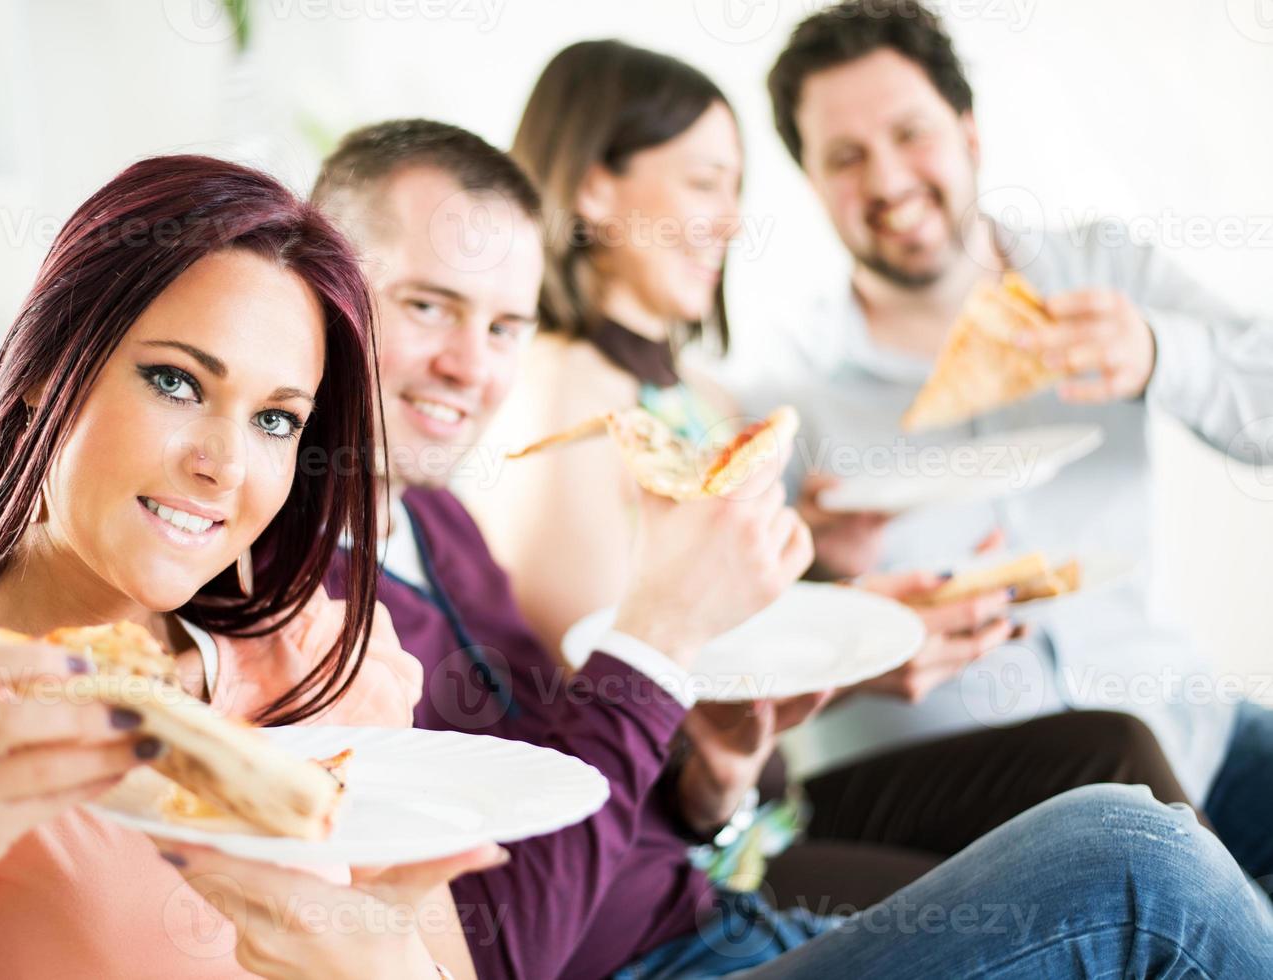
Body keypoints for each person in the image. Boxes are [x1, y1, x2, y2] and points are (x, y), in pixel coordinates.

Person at [313, 117, 1273, 979]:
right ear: (327, 291)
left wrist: (712, 780)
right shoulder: (305, 607)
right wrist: (659, 639)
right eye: (429, 307)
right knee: (1136, 863)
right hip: (670, 956)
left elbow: (601, 787)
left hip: (713, 908)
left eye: (504, 324)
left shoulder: (440, 526)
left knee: (1121, 776)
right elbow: (501, 949)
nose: (473, 366)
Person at [473, 38, 1203, 897]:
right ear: (596, 184)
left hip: (770, 807)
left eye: (738, 189)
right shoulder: (573, 398)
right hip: (702, 855)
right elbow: (610, 694)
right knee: (1112, 853)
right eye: (705, 183)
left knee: (1109, 750)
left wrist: (825, 563)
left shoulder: (691, 389)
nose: (734, 220)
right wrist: (858, 655)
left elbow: (719, 613)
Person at [0, 155, 496, 980]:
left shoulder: (320, 664)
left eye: (276, 420)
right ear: (42, 370)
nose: (226, 467)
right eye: (176, 381)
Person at [739, 0, 1273, 892]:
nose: (887, 179)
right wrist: (818, 570)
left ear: (970, 133)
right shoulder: (780, 395)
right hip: (979, 801)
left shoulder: (1103, 273)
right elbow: (736, 651)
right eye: (845, 157)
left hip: (1185, 720)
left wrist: (1156, 351)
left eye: (911, 133)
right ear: (812, 183)